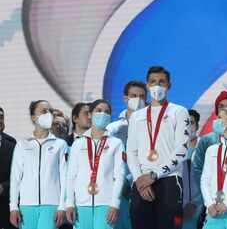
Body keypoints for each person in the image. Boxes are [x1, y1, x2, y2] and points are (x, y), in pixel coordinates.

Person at [127, 66, 191, 229]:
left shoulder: (179, 112)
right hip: (142, 181)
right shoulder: (137, 116)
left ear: (169, 85)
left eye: (162, 82)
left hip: (169, 179)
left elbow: (181, 151)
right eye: (153, 82)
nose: (157, 86)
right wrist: (140, 179)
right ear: (147, 86)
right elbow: (131, 151)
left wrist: (154, 175)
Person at [65, 99, 126, 229]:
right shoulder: (78, 144)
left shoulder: (116, 143)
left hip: (106, 204)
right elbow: (71, 176)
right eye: (98, 111)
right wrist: (69, 203)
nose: (102, 114)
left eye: (107, 112)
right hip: (81, 204)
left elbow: (119, 176)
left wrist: (115, 204)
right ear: (90, 115)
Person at [9, 100, 68, 229]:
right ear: (34, 118)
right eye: (44, 111)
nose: (49, 115)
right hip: (26, 205)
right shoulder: (22, 144)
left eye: (50, 112)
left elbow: (65, 177)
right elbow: (15, 179)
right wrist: (13, 206)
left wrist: (62, 206)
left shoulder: (60, 144)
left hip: (51, 205)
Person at [192, 90, 227, 228]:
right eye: (221, 106)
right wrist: (209, 198)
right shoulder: (207, 141)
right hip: (212, 203)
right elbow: (198, 170)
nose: (225, 108)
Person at [106, 80, 147, 229]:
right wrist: (122, 182)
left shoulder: (152, 129)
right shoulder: (112, 129)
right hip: (117, 190)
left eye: (142, 97)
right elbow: (106, 160)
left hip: (143, 186)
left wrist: (134, 180)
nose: (138, 100)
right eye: (134, 95)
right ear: (125, 98)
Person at [182, 109, 202, 229]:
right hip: (180, 210)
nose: (189, 126)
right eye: (186, 123)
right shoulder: (174, 150)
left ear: (197, 126)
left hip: (201, 208)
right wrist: (184, 205)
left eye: (192, 122)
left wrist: (197, 204)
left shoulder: (205, 147)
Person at [0, 107, 17, 229]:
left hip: (4, 205)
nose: (0, 120)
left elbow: (17, 174)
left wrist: (3, 186)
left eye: (1, 117)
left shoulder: (11, 143)